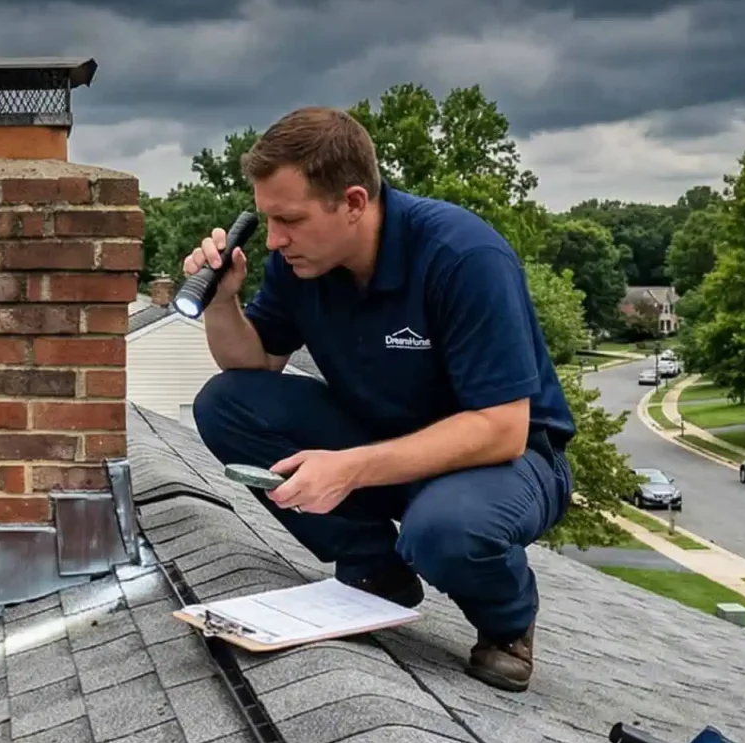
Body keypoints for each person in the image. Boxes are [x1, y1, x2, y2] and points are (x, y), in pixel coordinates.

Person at [183, 106, 573, 692]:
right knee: (226, 403)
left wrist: (349, 468)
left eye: (289, 219)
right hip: (380, 438)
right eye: (266, 220)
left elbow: (502, 429)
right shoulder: (300, 262)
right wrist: (222, 301)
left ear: (355, 202)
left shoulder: (463, 256)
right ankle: (374, 571)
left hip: (508, 463)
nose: (274, 239)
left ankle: (507, 623)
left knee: (442, 532)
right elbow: (254, 364)